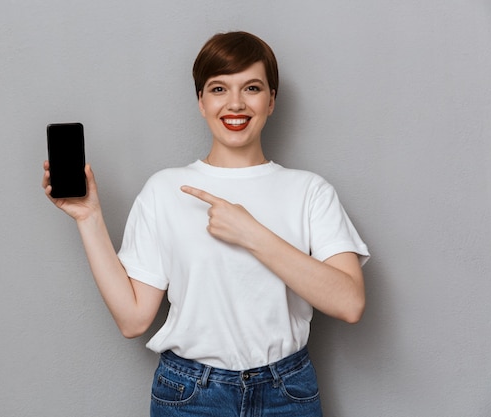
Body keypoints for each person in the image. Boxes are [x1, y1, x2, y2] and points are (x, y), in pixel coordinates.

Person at [43, 31, 369, 417]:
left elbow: (350, 303)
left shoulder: (310, 191)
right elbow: (133, 319)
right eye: (218, 89)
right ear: (200, 101)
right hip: (190, 396)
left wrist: (252, 234)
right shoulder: (165, 190)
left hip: (287, 393)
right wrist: (89, 217)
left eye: (251, 87)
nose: (235, 103)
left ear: (271, 100)